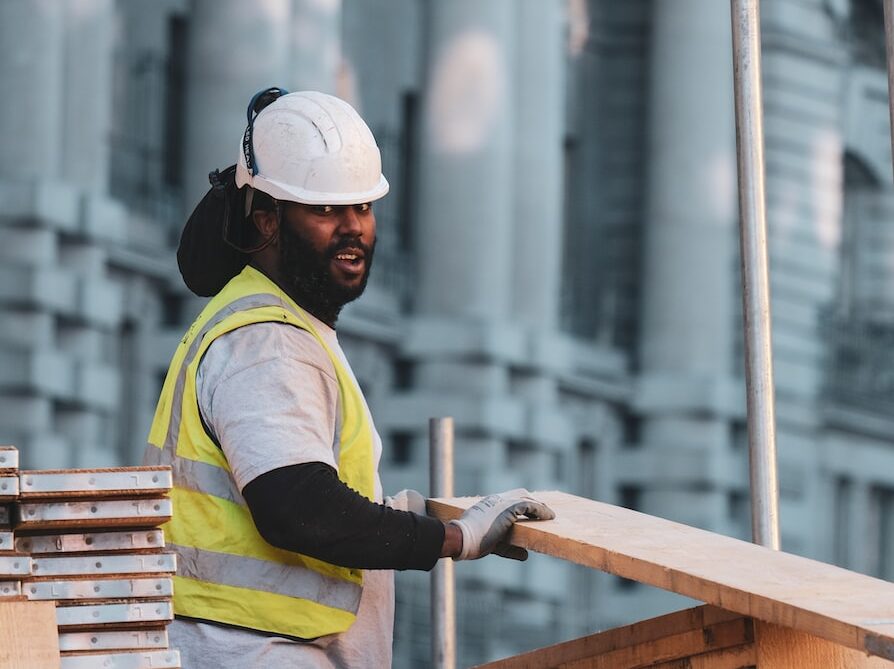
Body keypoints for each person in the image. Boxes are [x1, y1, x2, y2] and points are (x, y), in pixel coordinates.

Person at [145, 89, 555, 668]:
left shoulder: (277, 326)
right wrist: (454, 540)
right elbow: (298, 505)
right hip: (254, 653)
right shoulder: (267, 341)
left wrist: (397, 512)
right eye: (325, 211)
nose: (352, 229)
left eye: (362, 207)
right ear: (267, 221)